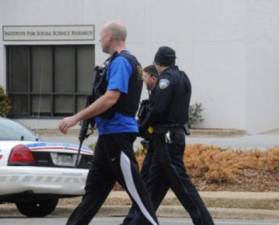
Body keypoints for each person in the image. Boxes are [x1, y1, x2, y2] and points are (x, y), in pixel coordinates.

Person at [58, 21, 158, 225]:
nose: (99, 40)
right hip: (108, 137)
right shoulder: (124, 62)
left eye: (101, 36)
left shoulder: (121, 62)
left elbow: (111, 97)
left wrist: (76, 117)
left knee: (138, 193)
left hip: (117, 137)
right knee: (92, 195)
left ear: (111, 37)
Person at [127, 46, 215, 225]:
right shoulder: (184, 77)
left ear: (157, 62)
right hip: (173, 137)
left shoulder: (165, 80)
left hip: (166, 139)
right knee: (152, 188)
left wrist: (141, 126)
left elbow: (158, 110)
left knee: (183, 188)